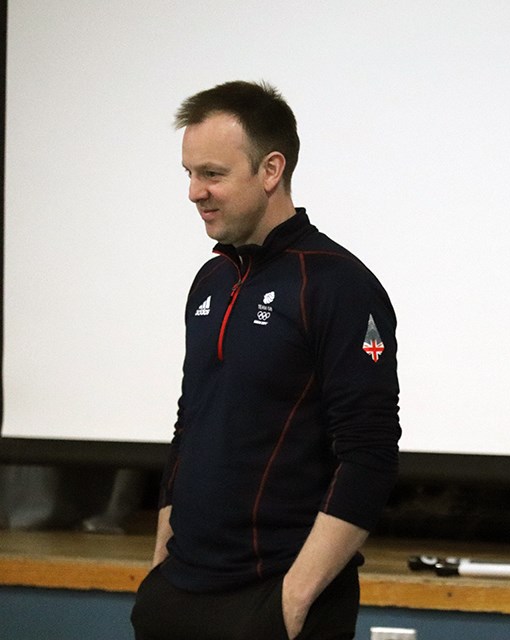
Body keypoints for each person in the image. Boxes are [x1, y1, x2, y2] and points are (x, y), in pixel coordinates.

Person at [131, 81, 401, 640]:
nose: (194, 192)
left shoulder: (338, 285)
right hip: (177, 595)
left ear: (271, 169)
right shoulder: (212, 278)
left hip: (271, 605)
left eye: (212, 174)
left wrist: (293, 599)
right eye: (188, 173)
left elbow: (369, 454)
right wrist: (161, 567)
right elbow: (191, 424)